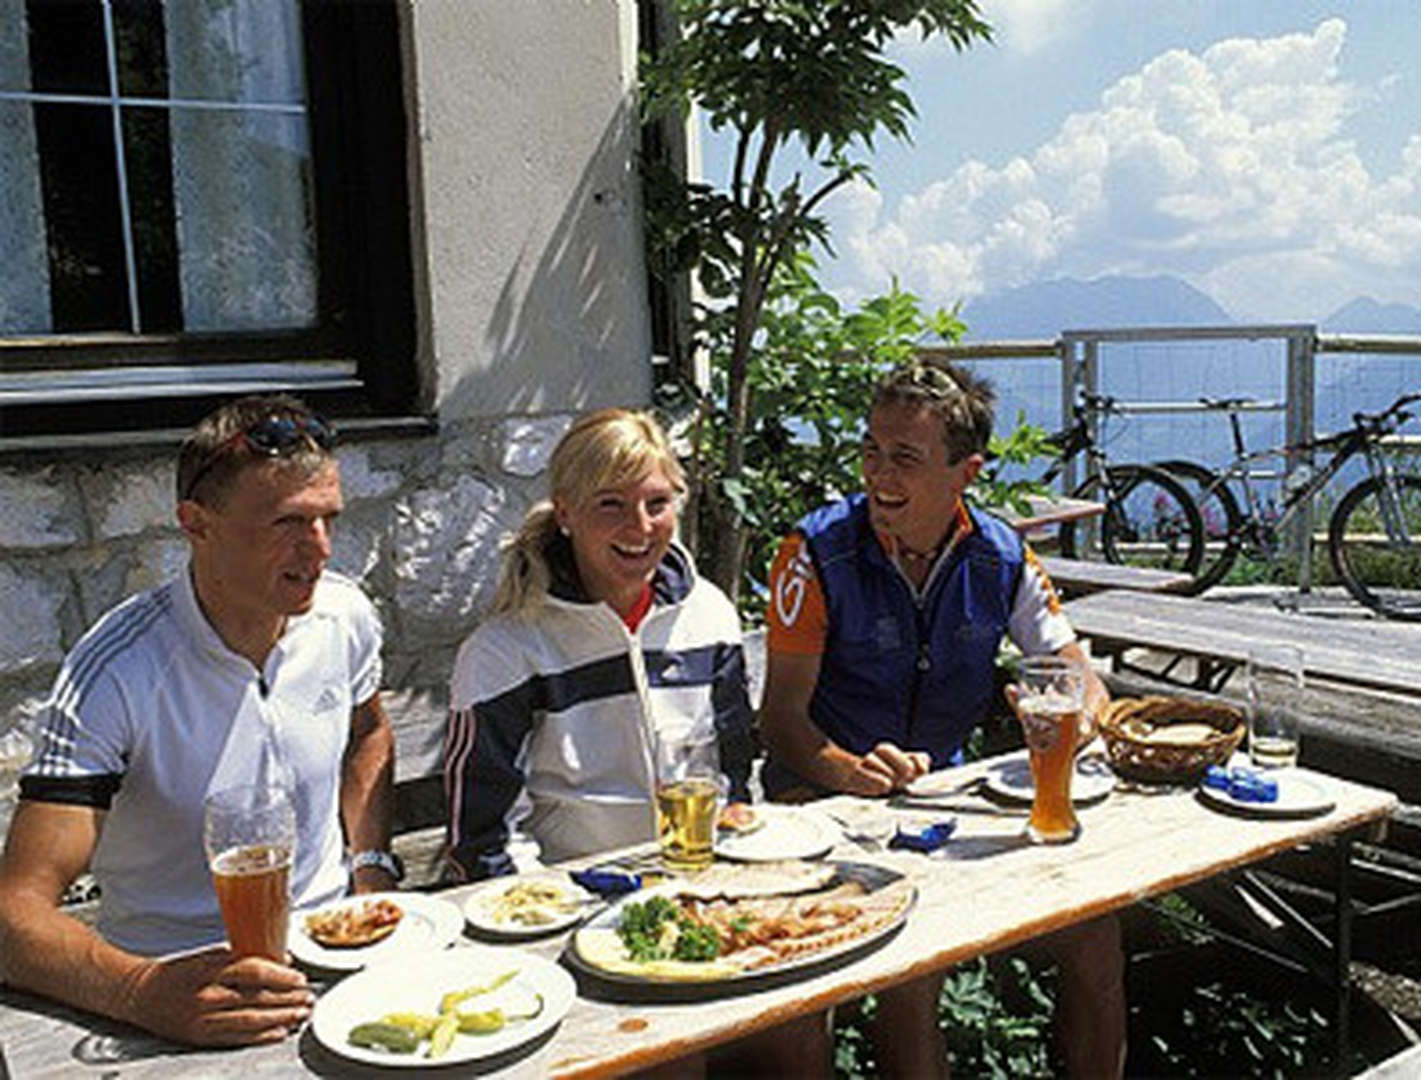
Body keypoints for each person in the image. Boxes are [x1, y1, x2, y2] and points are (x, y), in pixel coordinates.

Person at [759, 360, 1125, 1079]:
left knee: (1098, 934)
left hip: (947, 806)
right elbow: (780, 722)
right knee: (914, 970)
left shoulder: (1001, 555)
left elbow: (1077, 672)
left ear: (967, 472)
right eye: (871, 450)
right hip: (822, 808)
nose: (877, 474)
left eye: (904, 458)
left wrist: (1082, 715)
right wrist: (847, 771)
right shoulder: (814, 553)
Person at [0, 394, 397, 1048]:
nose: (319, 549)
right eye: (287, 523)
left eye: (329, 518)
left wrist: (372, 868)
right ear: (196, 522)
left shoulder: (344, 616)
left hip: (338, 960)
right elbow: (15, 916)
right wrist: (141, 992)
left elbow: (369, 733)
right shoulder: (117, 668)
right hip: (174, 990)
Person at [443, 408, 828, 1077]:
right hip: (575, 916)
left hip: (703, 898)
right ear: (565, 512)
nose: (640, 527)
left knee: (801, 1031)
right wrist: (556, 921)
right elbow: (480, 841)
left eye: (657, 504)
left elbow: (733, 778)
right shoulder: (508, 648)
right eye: (611, 506)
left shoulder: (706, 613)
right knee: (670, 1062)